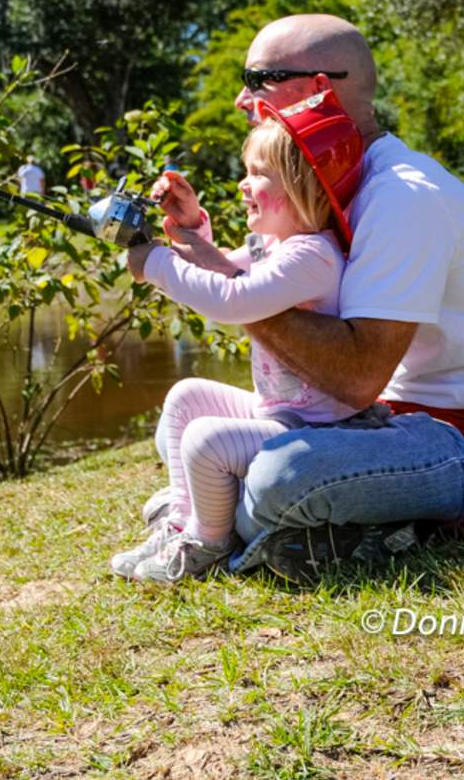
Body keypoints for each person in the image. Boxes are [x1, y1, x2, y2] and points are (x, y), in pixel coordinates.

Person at [139, 13, 464, 584]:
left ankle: (233, 521)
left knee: (279, 476)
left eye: (258, 80)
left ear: (319, 89)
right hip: (369, 420)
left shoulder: (401, 196)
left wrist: (243, 299)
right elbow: (259, 275)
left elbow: (356, 375)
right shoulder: (333, 184)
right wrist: (197, 245)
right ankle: (277, 525)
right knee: (184, 420)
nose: (240, 98)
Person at [110, 89, 365, 584]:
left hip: (319, 429)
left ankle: (207, 544)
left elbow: (234, 300)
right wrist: (190, 228)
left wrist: (157, 263)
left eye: (257, 175)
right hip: (282, 413)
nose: (243, 185)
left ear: (299, 187)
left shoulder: (311, 255)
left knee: (207, 440)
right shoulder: (279, 245)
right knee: (186, 396)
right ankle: (182, 524)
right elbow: (225, 271)